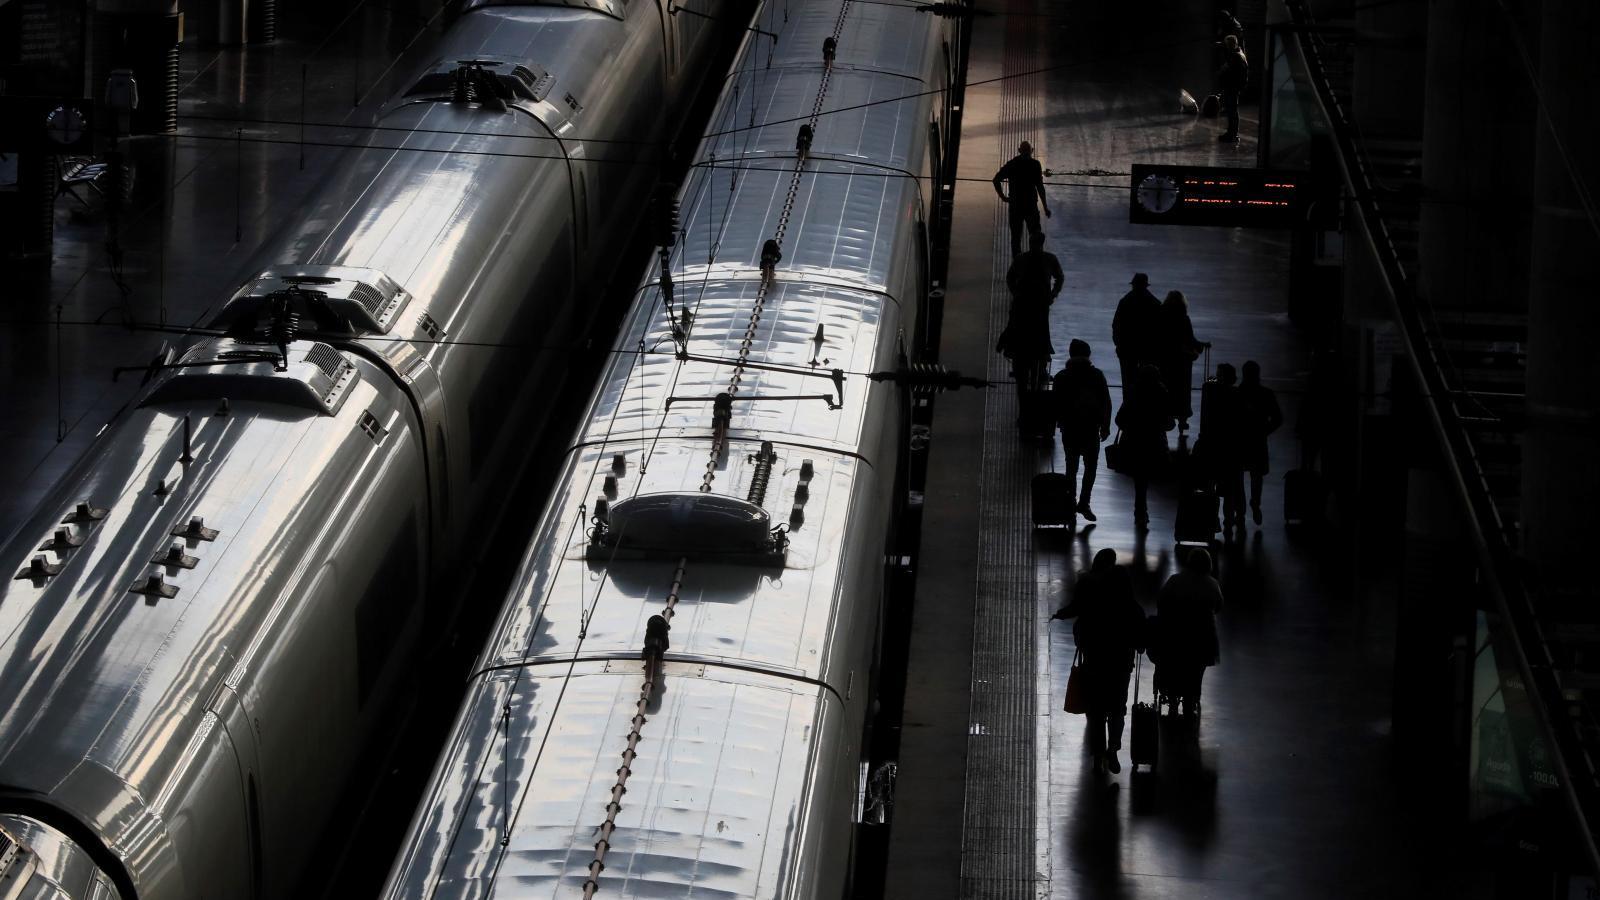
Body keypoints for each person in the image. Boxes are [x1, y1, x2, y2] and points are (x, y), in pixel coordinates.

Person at [1052, 548, 1145, 775]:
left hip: (1093, 659)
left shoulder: (1090, 592)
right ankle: (1113, 749)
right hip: (1121, 663)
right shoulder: (1129, 603)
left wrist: (1059, 614)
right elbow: (1139, 629)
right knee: (1117, 708)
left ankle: (1097, 752)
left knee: (1094, 708)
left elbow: (1076, 609)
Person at [997, 231, 1062, 426]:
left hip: (1026, 308)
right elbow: (1060, 277)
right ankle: (1040, 363)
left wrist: (1017, 293)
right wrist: (1052, 294)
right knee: (1041, 335)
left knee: (1015, 329)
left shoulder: (1021, 259)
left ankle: (1016, 355)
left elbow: (1010, 278)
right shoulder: (1049, 259)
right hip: (1039, 308)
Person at [1152, 548, 1223, 720]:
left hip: (1176, 636)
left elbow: (1161, 602)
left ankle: (1173, 695)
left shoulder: (1175, 581)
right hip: (1203, 638)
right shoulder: (1212, 584)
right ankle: (1191, 700)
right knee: (1196, 671)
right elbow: (1219, 606)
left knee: (1174, 666)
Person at [1052, 339, 1111, 523]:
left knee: (1071, 467)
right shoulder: (1096, 375)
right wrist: (1106, 425)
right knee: (1090, 467)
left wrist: (1057, 422)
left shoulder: (1062, 376)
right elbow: (1106, 402)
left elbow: (1055, 404)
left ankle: (1070, 502)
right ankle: (1084, 503)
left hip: (1069, 428)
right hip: (1091, 428)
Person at [1113, 364, 1173, 529]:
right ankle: (1142, 512)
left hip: (1134, 442)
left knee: (1140, 480)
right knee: (1156, 475)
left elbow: (1120, 419)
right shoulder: (1162, 393)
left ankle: (1140, 512)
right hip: (1155, 442)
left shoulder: (1133, 393)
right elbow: (1169, 423)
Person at [1197, 362, 1247, 535]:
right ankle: (1229, 520)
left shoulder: (1211, 392)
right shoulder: (1237, 394)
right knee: (1231, 488)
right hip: (1231, 449)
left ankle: (1212, 519)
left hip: (1212, 447)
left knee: (1211, 486)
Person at [1236, 360, 1283, 526]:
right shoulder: (1266, 394)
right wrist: (1264, 431)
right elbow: (1278, 418)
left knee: (1238, 477)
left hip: (1240, 441)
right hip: (1257, 441)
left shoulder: (1237, 394)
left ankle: (1239, 511)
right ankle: (1255, 504)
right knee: (1257, 477)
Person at [1157, 290, 1207, 433]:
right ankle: (1182, 419)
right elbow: (1189, 339)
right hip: (1182, 361)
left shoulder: (1161, 315)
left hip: (1165, 359)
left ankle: (1166, 416)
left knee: (1167, 387)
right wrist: (1199, 347)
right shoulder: (1183, 318)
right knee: (1182, 390)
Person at [1111, 273, 1163, 407]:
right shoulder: (1155, 303)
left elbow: (1116, 325)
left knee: (1128, 382)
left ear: (1134, 285)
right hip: (1148, 350)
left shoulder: (1125, 302)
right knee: (1148, 381)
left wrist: (1118, 345)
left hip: (1127, 349)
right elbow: (1160, 328)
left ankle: (1128, 409)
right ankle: (1147, 408)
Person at [992, 140, 1051, 257]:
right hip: (1031, 206)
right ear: (1031, 151)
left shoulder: (1012, 164)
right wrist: (1045, 207)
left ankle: (1017, 264)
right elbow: (1040, 187)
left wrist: (1003, 197)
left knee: (1016, 237)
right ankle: (1036, 260)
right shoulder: (1035, 165)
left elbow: (996, 180)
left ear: (1019, 151)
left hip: (1015, 206)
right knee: (1035, 235)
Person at [1218, 34, 1248, 142]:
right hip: (1234, 87)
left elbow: (1230, 72)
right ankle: (1233, 133)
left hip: (1232, 87)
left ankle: (1232, 135)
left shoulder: (1235, 56)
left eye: (1227, 45)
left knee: (1232, 112)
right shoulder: (1239, 54)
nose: (1226, 47)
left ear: (1231, 44)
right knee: (1232, 111)